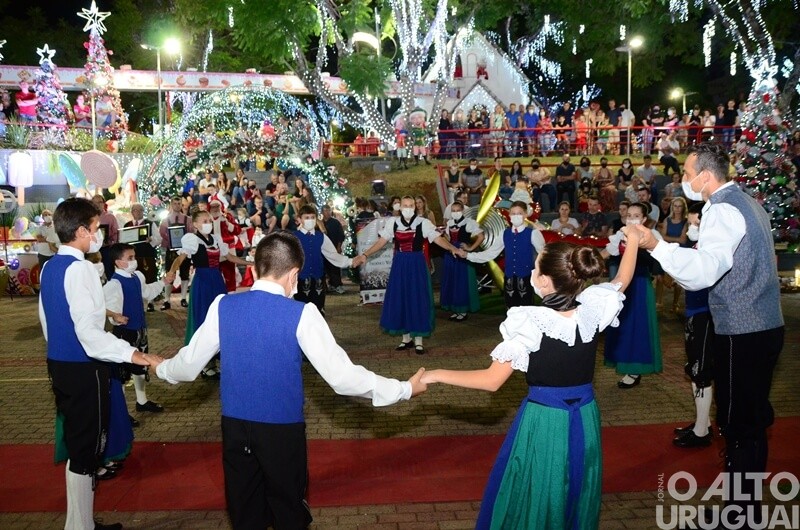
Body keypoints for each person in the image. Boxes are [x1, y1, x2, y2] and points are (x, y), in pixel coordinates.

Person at [151, 231, 426, 529]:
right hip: (282, 430)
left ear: (254, 270)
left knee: (244, 512)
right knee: (288, 511)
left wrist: (161, 368)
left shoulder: (222, 305)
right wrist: (404, 389)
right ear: (295, 273)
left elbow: (188, 365)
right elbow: (343, 378)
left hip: (234, 427)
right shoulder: (303, 313)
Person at [420, 233, 642, 530]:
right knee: (576, 486)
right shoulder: (593, 308)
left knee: (539, 495)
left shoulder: (530, 320)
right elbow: (623, 278)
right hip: (585, 416)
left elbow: (491, 381)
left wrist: (434, 374)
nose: (532, 273)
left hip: (545, 420)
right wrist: (636, 239)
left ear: (546, 281)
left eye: (536, 269)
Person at [632, 143, 784, 516]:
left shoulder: (722, 209)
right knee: (752, 417)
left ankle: (740, 514)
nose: (683, 180)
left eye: (686, 173)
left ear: (706, 176)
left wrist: (657, 246)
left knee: (737, 424)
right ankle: (744, 508)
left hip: (741, 329)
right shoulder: (751, 204)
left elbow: (704, 272)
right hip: (767, 325)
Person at [39, 198, 153, 530]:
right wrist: (131, 354)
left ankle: (82, 523)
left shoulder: (51, 266)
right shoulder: (82, 269)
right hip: (84, 367)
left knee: (80, 449)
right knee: (88, 451)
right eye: (95, 229)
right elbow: (89, 332)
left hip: (60, 363)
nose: (98, 234)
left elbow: (47, 319)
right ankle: (80, 526)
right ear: (80, 232)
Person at [359, 196, 464, 354]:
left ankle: (419, 340)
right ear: (400, 207)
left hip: (416, 264)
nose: (408, 208)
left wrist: (452, 249)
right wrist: (365, 255)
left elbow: (438, 239)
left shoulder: (423, 223)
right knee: (401, 298)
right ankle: (405, 338)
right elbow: (381, 242)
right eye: (405, 205)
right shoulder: (393, 223)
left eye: (411, 205)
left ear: (415, 207)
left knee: (417, 298)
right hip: (400, 264)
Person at [102, 244, 167, 465]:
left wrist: (163, 282)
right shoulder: (113, 284)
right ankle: (123, 412)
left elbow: (147, 292)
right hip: (124, 333)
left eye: (134, 256)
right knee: (121, 373)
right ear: (118, 262)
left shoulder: (136, 276)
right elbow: (107, 309)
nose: (134, 260)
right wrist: (115, 318)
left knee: (141, 367)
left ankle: (142, 400)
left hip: (140, 329)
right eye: (130, 257)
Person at [165, 210, 249, 378]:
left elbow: (230, 258)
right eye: (204, 220)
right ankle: (205, 364)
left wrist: (251, 263)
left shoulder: (216, 239)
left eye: (209, 220)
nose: (208, 223)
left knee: (219, 320)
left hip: (217, 281)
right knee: (203, 320)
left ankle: (218, 359)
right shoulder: (192, 240)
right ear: (195, 224)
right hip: (202, 282)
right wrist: (171, 271)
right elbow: (180, 258)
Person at [603, 202, 663, 388]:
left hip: (639, 284)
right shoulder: (620, 234)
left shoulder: (652, 235)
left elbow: (661, 259)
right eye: (629, 215)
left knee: (638, 326)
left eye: (636, 215)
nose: (631, 218)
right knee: (623, 325)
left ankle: (635, 368)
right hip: (623, 285)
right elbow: (606, 252)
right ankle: (625, 363)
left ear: (644, 218)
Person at [672, 202, 715, 449]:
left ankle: (702, 432)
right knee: (695, 367)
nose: (691, 227)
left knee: (700, 369)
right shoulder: (694, 242)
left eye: (695, 222)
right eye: (690, 223)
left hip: (706, 312)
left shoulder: (712, 246)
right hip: (694, 310)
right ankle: (703, 422)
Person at [467, 201, 546, 308]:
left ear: (525, 214)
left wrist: (541, 273)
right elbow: (491, 253)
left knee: (526, 308)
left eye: (519, 213)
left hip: (526, 277)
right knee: (510, 307)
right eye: (513, 213)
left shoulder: (533, 233)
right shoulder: (505, 233)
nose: (516, 216)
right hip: (509, 278)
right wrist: (468, 256)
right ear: (509, 215)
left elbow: (543, 254)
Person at [294, 204, 363, 314]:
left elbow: (333, 255)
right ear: (299, 219)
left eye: (312, 217)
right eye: (306, 218)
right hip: (301, 279)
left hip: (318, 279)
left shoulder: (321, 236)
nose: (310, 220)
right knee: (301, 310)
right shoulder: (294, 237)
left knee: (318, 309)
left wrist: (350, 261)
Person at [440, 201, 484, 321]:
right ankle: (455, 308)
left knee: (462, 282)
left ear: (463, 211)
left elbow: (481, 236)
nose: (455, 213)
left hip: (462, 254)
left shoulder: (469, 223)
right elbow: (449, 238)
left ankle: (463, 310)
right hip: (450, 254)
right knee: (452, 281)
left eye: (457, 210)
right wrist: (444, 235)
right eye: (453, 211)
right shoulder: (449, 223)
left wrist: (470, 248)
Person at [123, 203, 162, 311]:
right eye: (135, 210)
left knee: (149, 277)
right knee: (133, 278)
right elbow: (123, 241)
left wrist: (151, 239)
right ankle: (136, 301)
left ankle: (150, 302)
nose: (138, 212)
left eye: (140, 210)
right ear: (132, 212)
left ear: (143, 211)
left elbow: (159, 239)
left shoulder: (150, 224)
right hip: (131, 257)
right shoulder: (127, 225)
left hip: (146, 255)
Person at [159, 196, 192, 310]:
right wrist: (171, 242)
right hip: (171, 250)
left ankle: (183, 298)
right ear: (171, 205)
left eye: (179, 203)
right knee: (170, 273)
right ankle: (167, 300)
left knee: (184, 273)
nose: (177, 205)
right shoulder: (165, 220)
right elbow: (162, 234)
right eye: (175, 203)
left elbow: (191, 233)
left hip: (184, 250)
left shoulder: (187, 219)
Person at [91, 195, 119, 280]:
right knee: (93, 274)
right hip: (92, 251)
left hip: (106, 249)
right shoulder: (88, 218)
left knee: (109, 272)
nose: (97, 204)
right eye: (95, 202)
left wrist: (111, 242)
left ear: (104, 204)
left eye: (100, 202)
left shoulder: (110, 217)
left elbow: (116, 233)